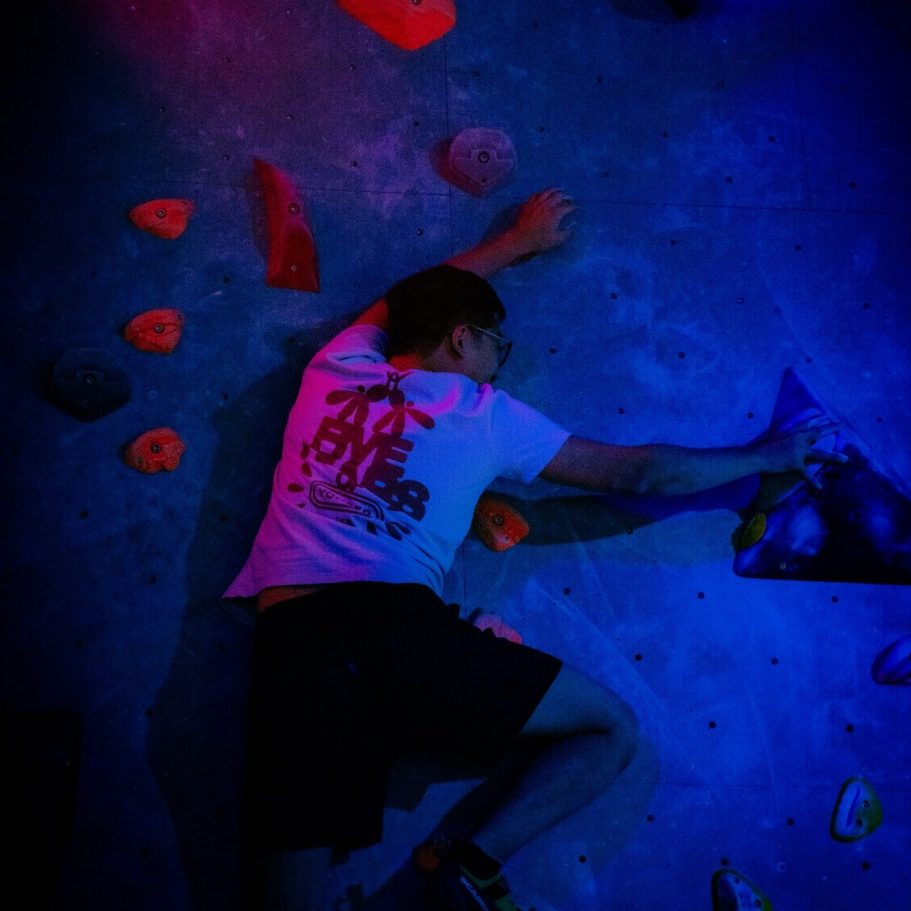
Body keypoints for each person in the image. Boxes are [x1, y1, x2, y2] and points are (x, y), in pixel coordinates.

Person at [225, 188, 844, 911]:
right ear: (461, 338)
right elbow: (642, 472)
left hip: (288, 643)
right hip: (394, 630)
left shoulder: (337, 363)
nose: (499, 362)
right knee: (608, 731)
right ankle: (471, 864)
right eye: (495, 344)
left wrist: (517, 241)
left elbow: (405, 299)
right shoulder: (482, 414)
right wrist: (763, 455)